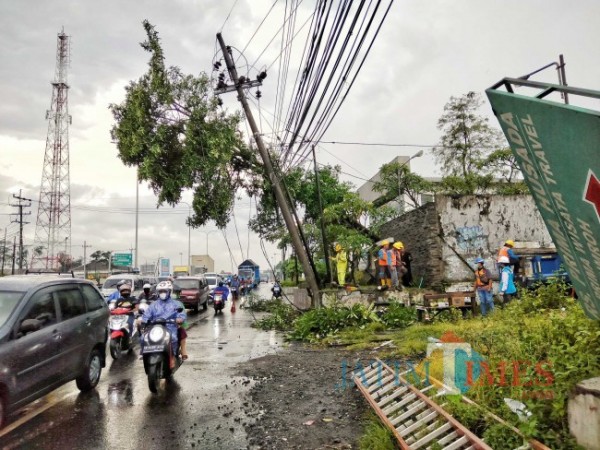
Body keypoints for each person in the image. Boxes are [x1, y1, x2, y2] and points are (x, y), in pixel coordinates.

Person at [140, 281, 187, 363]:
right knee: (143, 338)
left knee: (173, 338)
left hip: (170, 327)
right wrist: (144, 321)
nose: (162, 293)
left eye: (164, 291)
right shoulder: (153, 305)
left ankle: (173, 355)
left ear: (169, 292)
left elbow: (181, 314)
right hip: (154, 327)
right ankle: (144, 355)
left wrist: (179, 319)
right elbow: (147, 314)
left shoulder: (176, 304)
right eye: (160, 291)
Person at [171, 289, 189, 360]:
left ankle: (183, 352)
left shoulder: (179, 304)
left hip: (174, 324)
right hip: (162, 325)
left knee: (182, 333)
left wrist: (179, 320)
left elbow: (182, 315)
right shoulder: (159, 304)